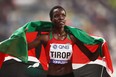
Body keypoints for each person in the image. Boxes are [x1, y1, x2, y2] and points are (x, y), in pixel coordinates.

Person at [28, 6, 112, 77]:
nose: (60, 18)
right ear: (51, 19)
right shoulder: (44, 38)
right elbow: (24, 49)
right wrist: (19, 37)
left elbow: (91, 57)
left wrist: (99, 47)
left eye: (63, 15)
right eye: (56, 16)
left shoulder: (72, 38)